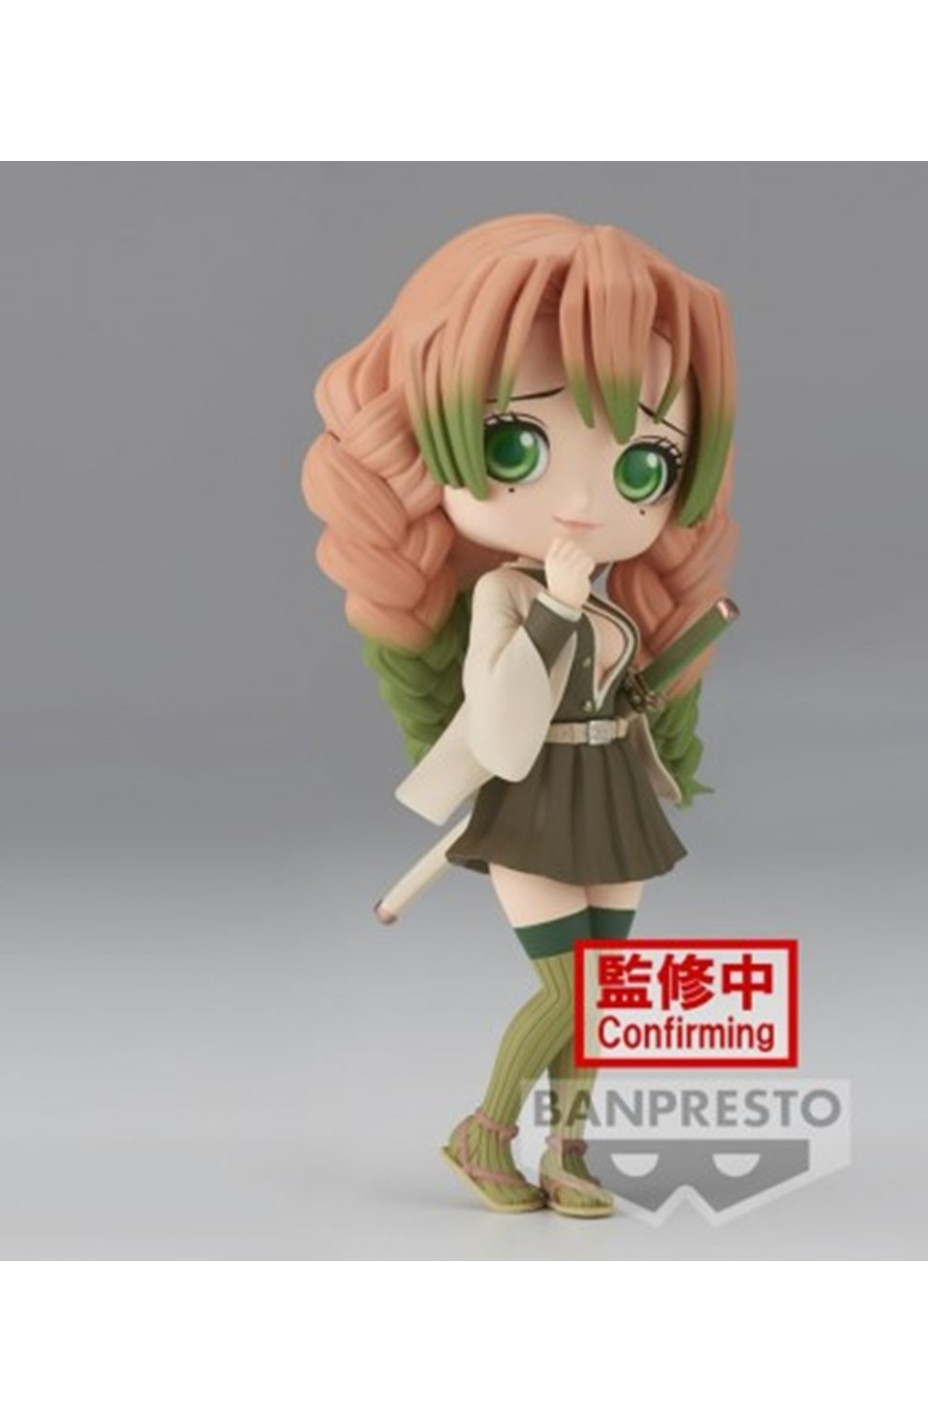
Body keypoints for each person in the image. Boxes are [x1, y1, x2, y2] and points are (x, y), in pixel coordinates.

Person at [302, 214, 738, 1216]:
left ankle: (569, 1153)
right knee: (568, 992)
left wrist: (650, 681)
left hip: (612, 797)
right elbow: (502, 724)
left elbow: (620, 696)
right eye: (517, 443)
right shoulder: (504, 595)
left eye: (640, 465)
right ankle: (486, 1132)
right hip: (536, 802)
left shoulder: (615, 606)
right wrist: (557, 608)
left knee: (606, 997)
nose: (582, 501)